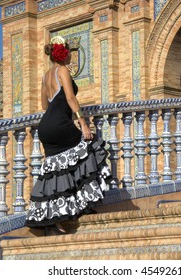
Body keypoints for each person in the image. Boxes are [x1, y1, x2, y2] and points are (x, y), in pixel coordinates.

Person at [25, 35, 110, 233]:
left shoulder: (46, 75)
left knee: (57, 169)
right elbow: (70, 98)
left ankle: (52, 220)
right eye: (70, 51)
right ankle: (84, 203)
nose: (72, 55)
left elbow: (45, 104)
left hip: (46, 127)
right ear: (64, 53)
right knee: (91, 147)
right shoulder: (62, 70)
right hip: (60, 123)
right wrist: (83, 123)